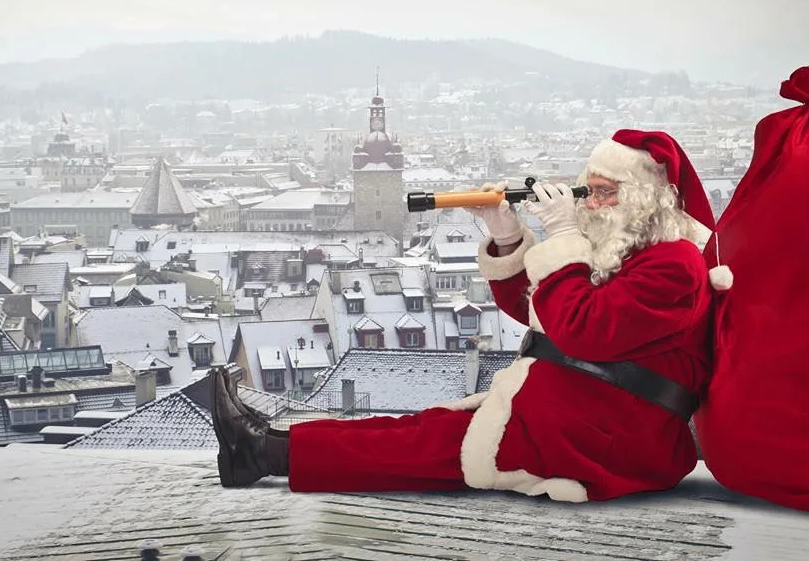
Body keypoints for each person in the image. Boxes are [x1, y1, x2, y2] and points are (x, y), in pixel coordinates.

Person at [212, 129, 729, 501]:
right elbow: (542, 313)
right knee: (425, 428)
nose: (590, 203)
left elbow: (582, 329)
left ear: (641, 199)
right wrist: (509, 237)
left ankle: (259, 455)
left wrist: (564, 236)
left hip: (613, 436)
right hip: (586, 413)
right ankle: (271, 442)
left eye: (603, 192)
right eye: (587, 190)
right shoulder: (627, 249)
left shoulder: (673, 265)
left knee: (425, 446)